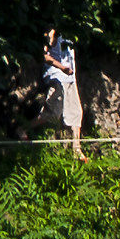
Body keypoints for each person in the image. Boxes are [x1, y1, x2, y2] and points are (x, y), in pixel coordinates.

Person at [42, 27, 85, 161]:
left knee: (70, 113)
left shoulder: (71, 32)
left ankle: (76, 149)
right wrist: (62, 68)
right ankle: (22, 128)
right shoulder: (52, 32)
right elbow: (45, 56)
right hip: (58, 77)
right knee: (61, 113)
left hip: (69, 78)